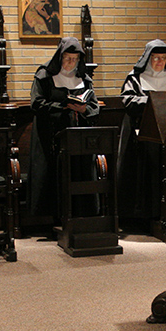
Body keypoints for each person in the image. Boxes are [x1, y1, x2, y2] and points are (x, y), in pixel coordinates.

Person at [116, 39, 166, 230]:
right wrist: (153, 101)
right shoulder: (135, 78)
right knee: (145, 176)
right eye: (156, 58)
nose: (159, 62)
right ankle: (141, 217)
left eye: (163, 58)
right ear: (148, 59)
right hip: (142, 138)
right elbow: (128, 101)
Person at [28, 36, 99, 222]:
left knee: (79, 174)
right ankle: (56, 219)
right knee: (56, 176)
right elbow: (36, 103)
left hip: (79, 137)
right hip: (52, 137)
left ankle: (81, 216)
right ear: (60, 57)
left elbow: (95, 107)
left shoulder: (83, 78)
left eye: (75, 59)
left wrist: (83, 109)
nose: (71, 62)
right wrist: (63, 106)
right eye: (67, 58)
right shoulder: (45, 75)